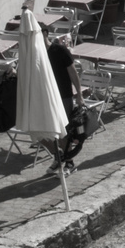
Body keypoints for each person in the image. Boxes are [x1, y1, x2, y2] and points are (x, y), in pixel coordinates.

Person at [41, 36, 86, 175]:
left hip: (63, 96)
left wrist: (79, 94)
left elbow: (73, 72)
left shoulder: (60, 50)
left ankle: (69, 162)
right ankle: (59, 157)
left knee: (63, 131)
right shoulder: (36, 53)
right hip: (44, 98)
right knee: (43, 132)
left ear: (44, 33)